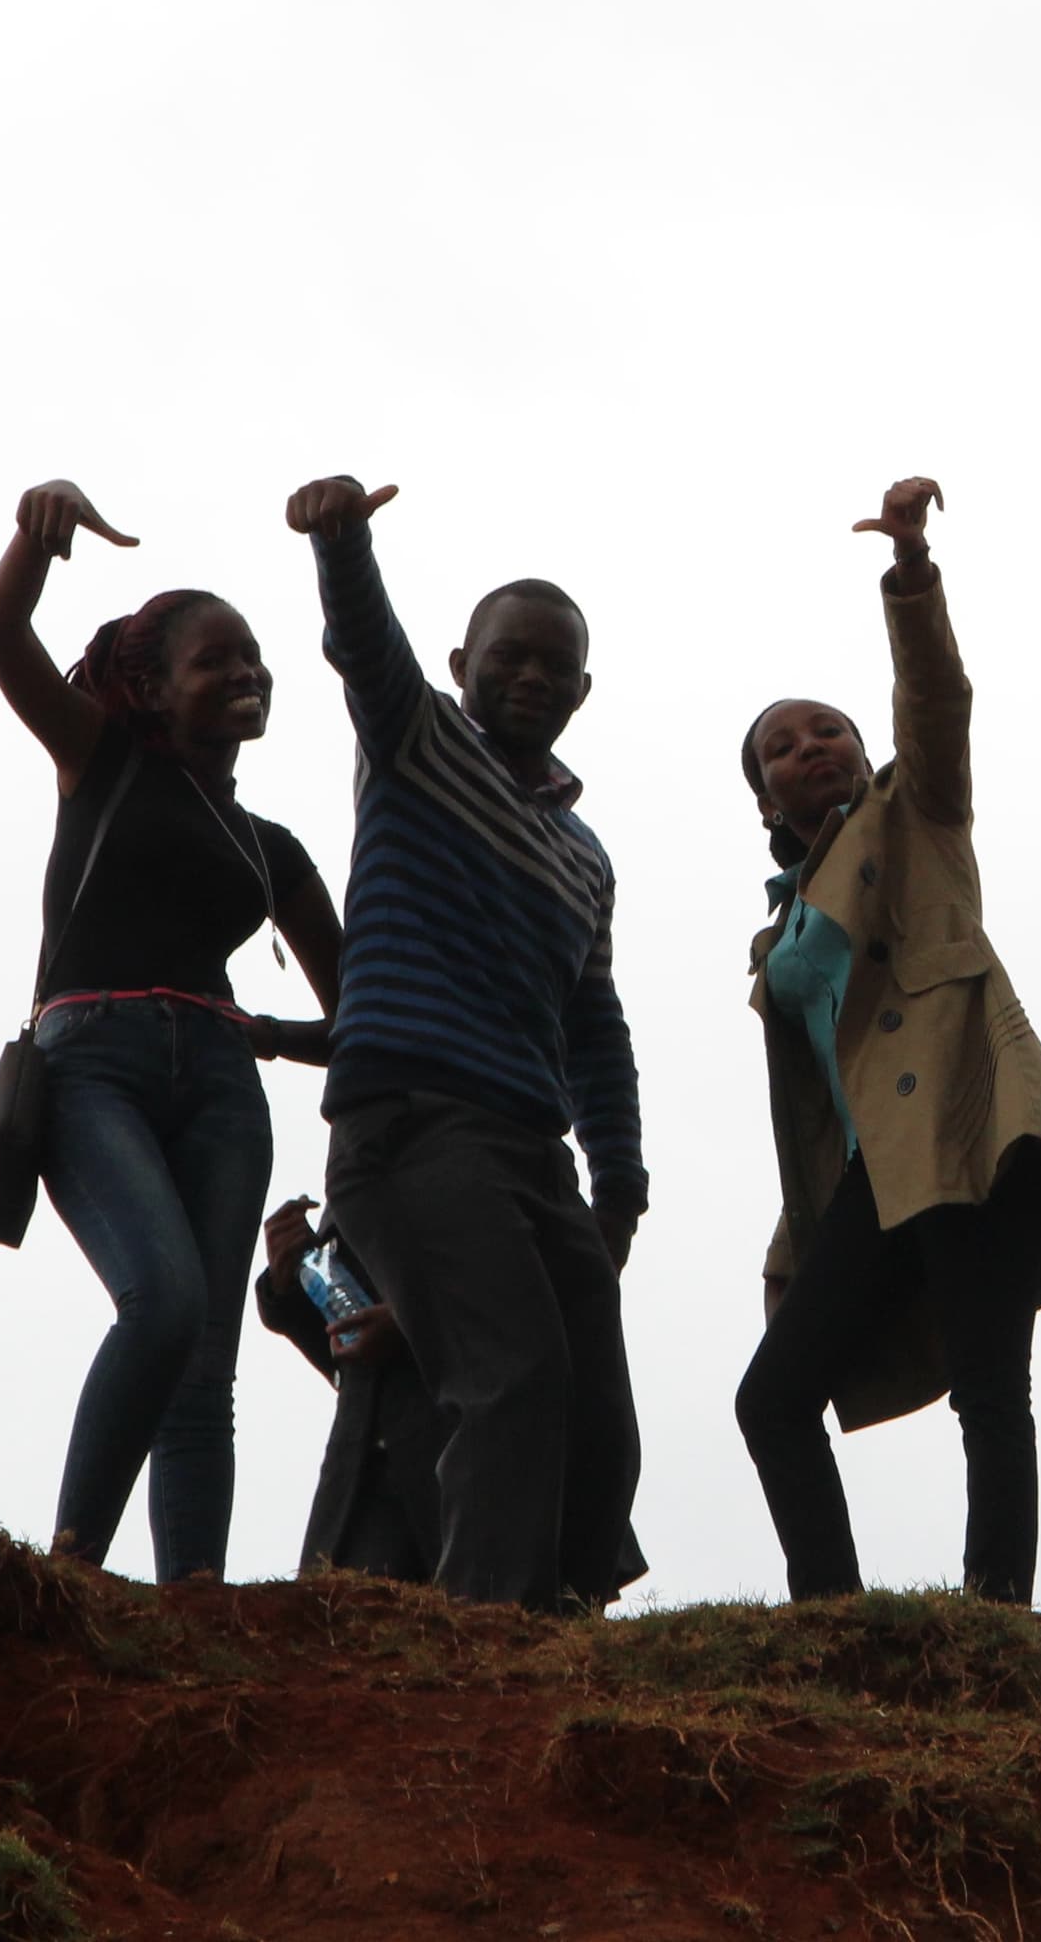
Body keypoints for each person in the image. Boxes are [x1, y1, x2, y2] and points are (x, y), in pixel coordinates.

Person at [734, 478, 1041, 1606]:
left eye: (829, 730)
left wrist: (909, 571)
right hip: (873, 1173)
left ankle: (997, 1613)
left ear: (866, 750)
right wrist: (792, 1245)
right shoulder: (778, 934)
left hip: (965, 1122)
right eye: (781, 747)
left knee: (991, 1388)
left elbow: (936, 699)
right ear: (764, 799)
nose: (810, 747)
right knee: (772, 1397)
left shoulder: (919, 812)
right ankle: (831, 1614)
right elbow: (819, 1101)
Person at [288, 472, 645, 1611]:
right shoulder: (418, 745)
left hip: (533, 1150)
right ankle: (488, 1636)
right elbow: (366, 654)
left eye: (554, 665)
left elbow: (593, 1024)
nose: (531, 675)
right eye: (509, 656)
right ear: (461, 665)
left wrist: (621, 1183)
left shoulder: (585, 855)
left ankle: (560, 1629)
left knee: (598, 1417)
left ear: (583, 690)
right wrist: (342, 544)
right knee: (511, 1377)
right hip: (413, 1123)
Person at [0, 477, 344, 1583]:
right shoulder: (101, 761)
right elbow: (1, 635)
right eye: (214, 661)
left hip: (223, 1088)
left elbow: (363, 1010)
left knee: (205, 1369)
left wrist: (267, 1034)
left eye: (254, 659)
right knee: (166, 1301)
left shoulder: (270, 847)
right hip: (94, 1066)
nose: (245, 674)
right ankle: (71, 1572)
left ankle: (194, 1609)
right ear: (151, 685)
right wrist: (35, 534)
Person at [250, 1194, 448, 1582]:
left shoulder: (483, 1168)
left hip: (467, 1471)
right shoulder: (351, 1176)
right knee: (329, 1614)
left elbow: (523, 1309)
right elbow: (353, 1354)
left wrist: (411, 1321)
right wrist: (291, 1282)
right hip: (364, 1470)